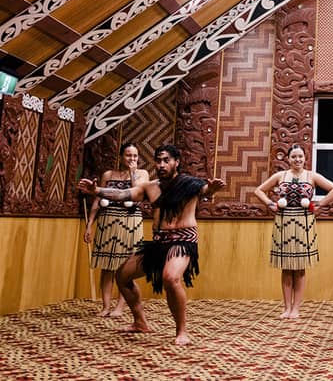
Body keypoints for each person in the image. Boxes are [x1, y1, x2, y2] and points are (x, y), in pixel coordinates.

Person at [78, 144, 225, 345]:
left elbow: (205, 189)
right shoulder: (150, 187)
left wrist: (212, 188)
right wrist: (97, 190)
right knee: (122, 275)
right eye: (158, 160)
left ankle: (182, 331)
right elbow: (123, 195)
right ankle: (140, 322)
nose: (162, 165)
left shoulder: (189, 184)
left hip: (182, 241)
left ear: (177, 162)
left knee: (171, 278)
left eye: (166, 160)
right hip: (159, 243)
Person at [254, 144, 333, 318]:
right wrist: (270, 204)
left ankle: (296, 309)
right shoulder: (281, 175)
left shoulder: (311, 176)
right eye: (294, 156)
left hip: (305, 221)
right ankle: (286, 307)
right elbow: (259, 190)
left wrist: (319, 205)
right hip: (283, 221)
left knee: (300, 267)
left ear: (305, 157)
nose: (297, 159)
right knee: (286, 267)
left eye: (300, 156)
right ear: (288, 159)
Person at [83, 142, 149, 316]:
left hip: (130, 222)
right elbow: (98, 200)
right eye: (128, 155)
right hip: (107, 221)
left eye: (135, 156)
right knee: (107, 266)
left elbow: (138, 192)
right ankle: (105, 306)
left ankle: (120, 307)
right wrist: (90, 224)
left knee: (125, 267)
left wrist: (133, 173)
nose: (132, 159)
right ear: (121, 156)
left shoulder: (143, 174)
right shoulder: (108, 174)